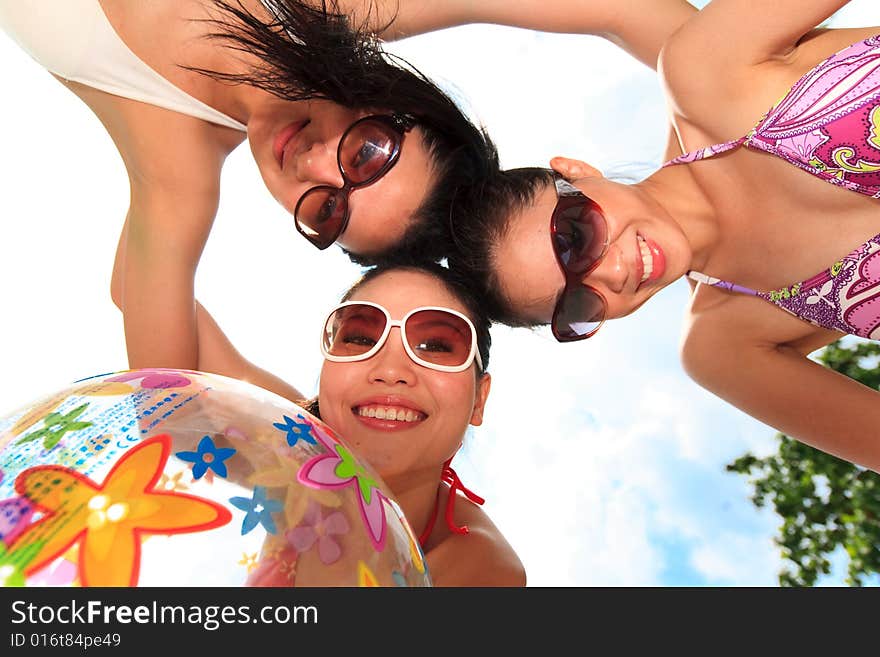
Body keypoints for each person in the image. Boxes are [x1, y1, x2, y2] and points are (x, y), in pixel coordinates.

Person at [400, 1, 880, 472]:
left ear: (576, 171)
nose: (613, 272)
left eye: (575, 237)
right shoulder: (727, 348)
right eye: (579, 305)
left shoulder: (706, 69)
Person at [0, 0, 497, 394]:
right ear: (390, 98)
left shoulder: (179, 179)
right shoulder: (315, 9)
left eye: (327, 210)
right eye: (367, 153)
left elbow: (162, 389)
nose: (313, 165)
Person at [191, 258, 526, 586]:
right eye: (361, 338)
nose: (391, 371)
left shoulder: (484, 565)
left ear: (478, 401)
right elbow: (181, 357)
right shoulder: (292, 437)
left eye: (434, 346)